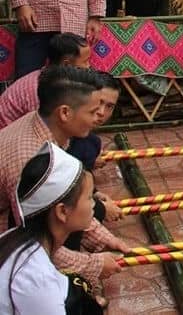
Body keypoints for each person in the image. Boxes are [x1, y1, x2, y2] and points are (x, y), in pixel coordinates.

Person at [0, 66, 127, 289]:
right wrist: (92, 264)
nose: (98, 116)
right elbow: (34, 244)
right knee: (66, 218)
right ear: (65, 113)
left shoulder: (41, 123)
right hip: (11, 232)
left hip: (20, 213)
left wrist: (105, 238)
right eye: (92, 111)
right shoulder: (30, 159)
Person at [0, 143, 101, 314]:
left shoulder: (13, 237)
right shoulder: (38, 279)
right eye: (89, 197)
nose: (93, 204)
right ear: (62, 211)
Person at [0, 33, 91, 129]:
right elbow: (40, 128)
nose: (88, 66)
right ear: (66, 65)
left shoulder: (53, 79)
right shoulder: (39, 90)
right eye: (85, 61)